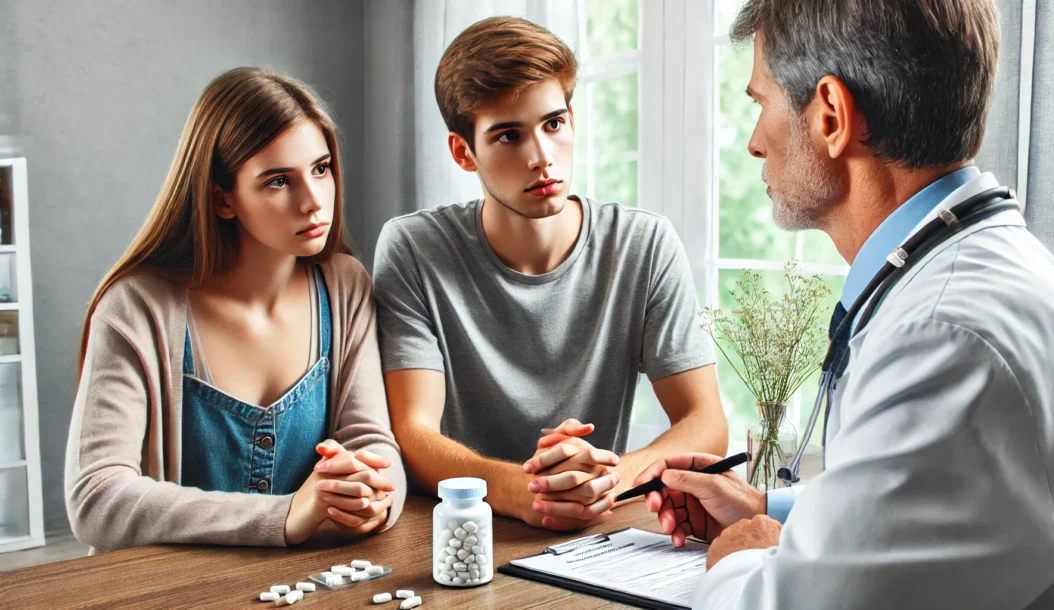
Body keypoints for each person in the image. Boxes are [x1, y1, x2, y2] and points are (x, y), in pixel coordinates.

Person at [633, 1, 1054, 608]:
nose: (757, 144)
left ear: (831, 116)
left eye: (761, 103)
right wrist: (771, 508)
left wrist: (736, 554)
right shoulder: (978, 275)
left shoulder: (943, 338)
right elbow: (938, 506)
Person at [373, 17, 728, 530]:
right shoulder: (414, 249)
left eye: (553, 124)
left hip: (595, 534)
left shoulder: (644, 245)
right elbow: (413, 432)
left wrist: (609, 480)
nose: (541, 157)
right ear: (463, 152)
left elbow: (706, 423)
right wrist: (528, 492)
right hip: (464, 533)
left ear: (572, 122)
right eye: (509, 136)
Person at [65, 67, 406, 552]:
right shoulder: (136, 308)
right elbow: (97, 499)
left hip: (308, 587)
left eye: (321, 168)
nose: (313, 201)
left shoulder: (344, 284)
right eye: (277, 181)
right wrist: (287, 513)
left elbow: (373, 442)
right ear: (223, 199)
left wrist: (374, 496)